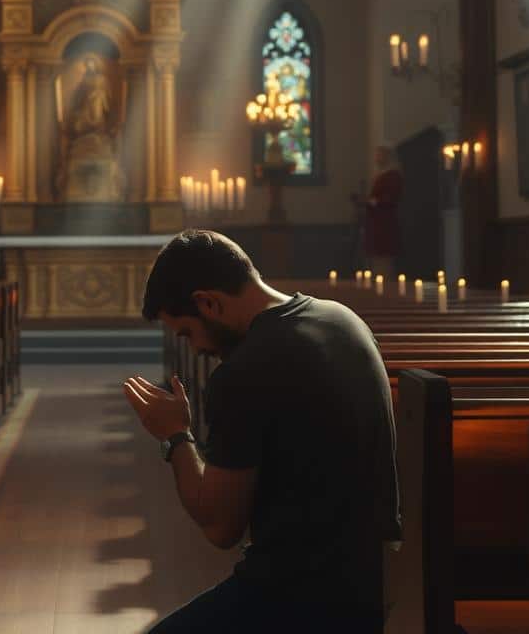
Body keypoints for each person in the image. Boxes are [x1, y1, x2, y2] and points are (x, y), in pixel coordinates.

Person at [124, 230, 400, 633]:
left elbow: (219, 527)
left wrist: (176, 435)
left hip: (304, 597)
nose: (196, 348)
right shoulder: (341, 318)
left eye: (187, 332)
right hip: (380, 578)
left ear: (208, 303)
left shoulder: (245, 371)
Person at [363, 145, 403, 278]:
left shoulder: (392, 175)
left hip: (385, 225)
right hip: (377, 224)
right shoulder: (382, 174)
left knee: (384, 262)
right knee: (377, 261)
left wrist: (374, 202)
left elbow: (389, 198)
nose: (376, 158)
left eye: (379, 154)